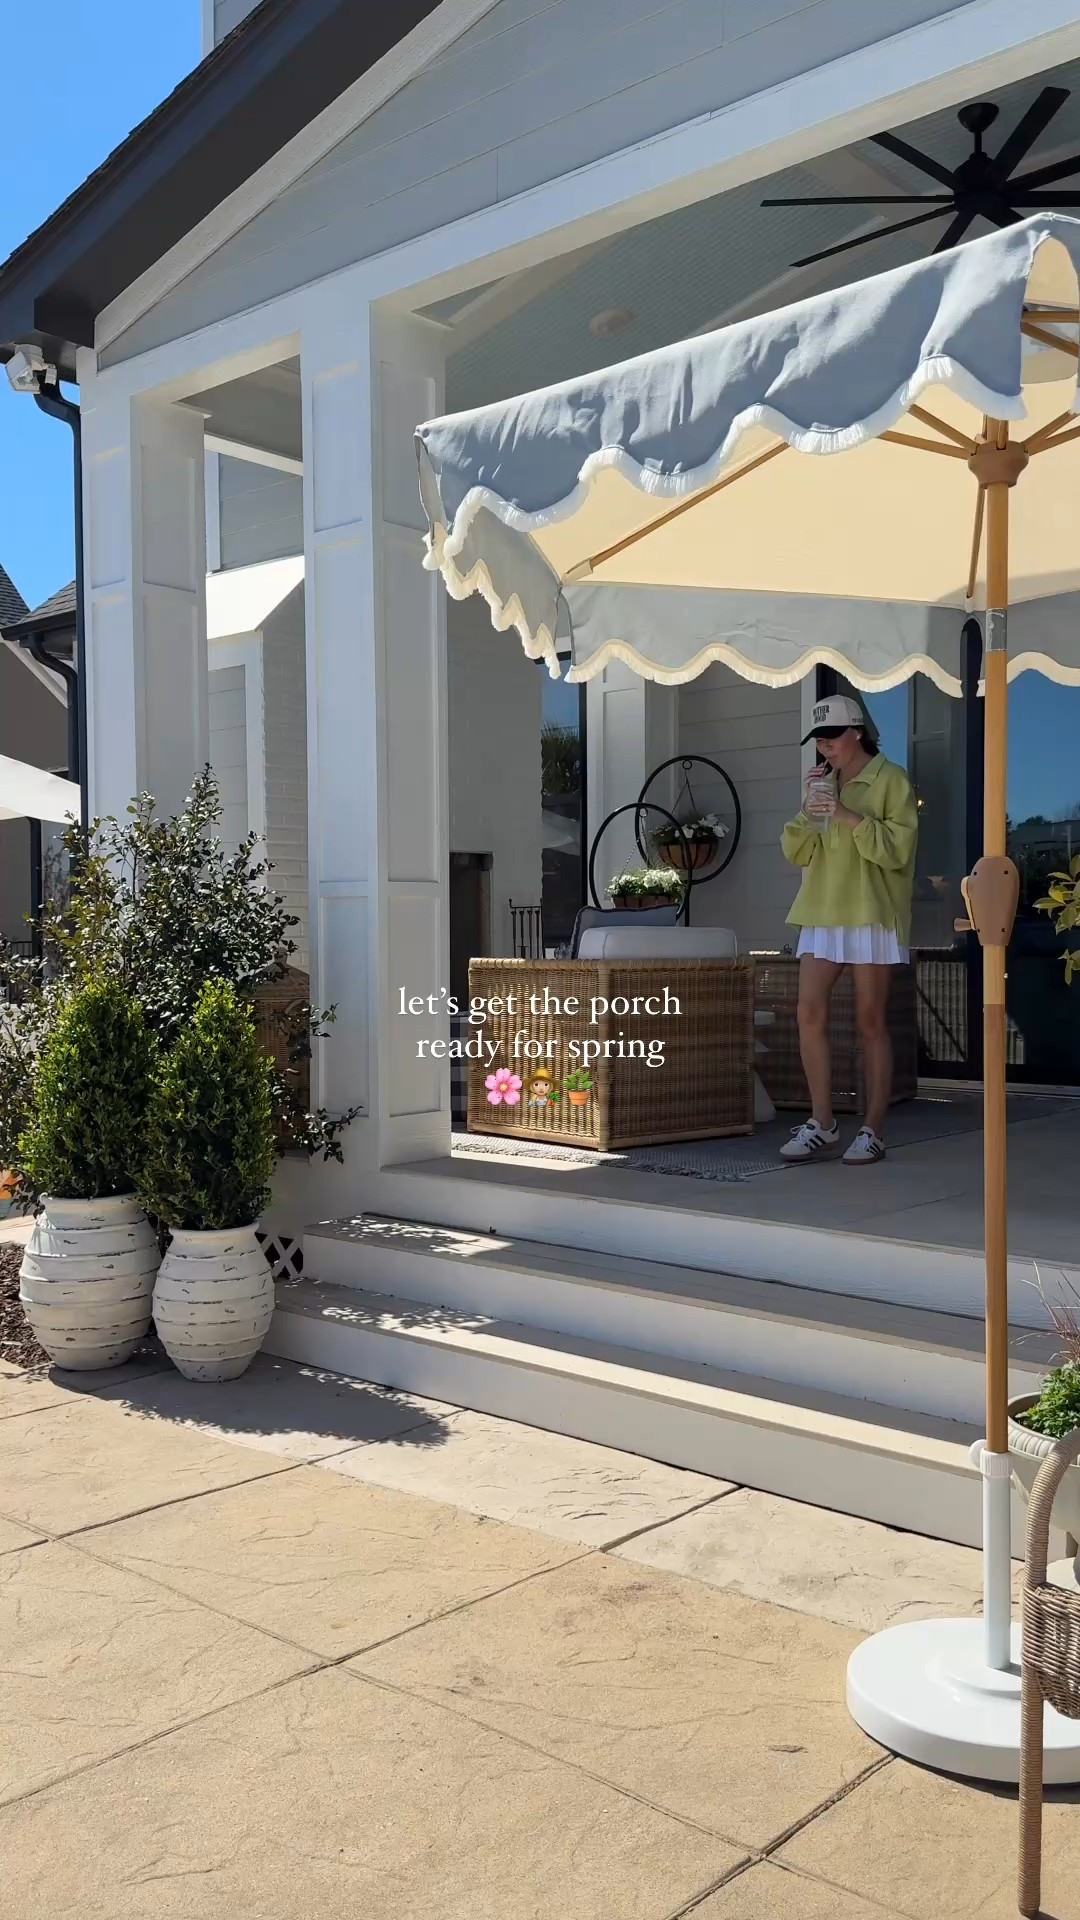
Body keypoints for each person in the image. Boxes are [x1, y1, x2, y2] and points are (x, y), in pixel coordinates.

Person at [779, 694, 917, 1165]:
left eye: (832, 736)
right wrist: (808, 809)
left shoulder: (891, 780)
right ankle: (823, 1122)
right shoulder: (824, 783)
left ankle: (873, 1130)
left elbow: (897, 851)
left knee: (870, 1022)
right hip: (821, 908)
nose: (824, 747)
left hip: (871, 911)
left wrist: (844, 815)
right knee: (808, 1013)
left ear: (857, 731)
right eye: (818, 739)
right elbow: (796, 851)